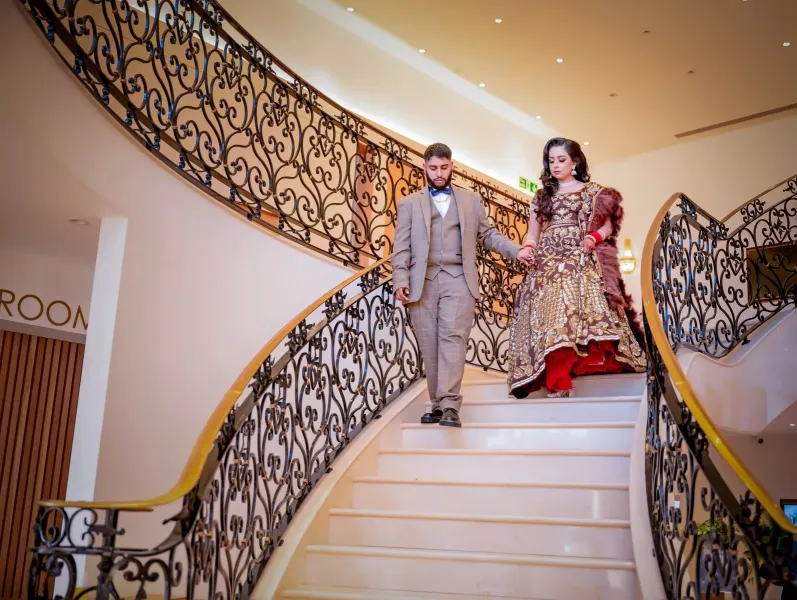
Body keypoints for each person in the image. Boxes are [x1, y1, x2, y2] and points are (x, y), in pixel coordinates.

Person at [393, 143, 534, 427]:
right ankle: (436, 403)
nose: (439, 173)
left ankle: (450, 404)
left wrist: (515, 250)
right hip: (423, 280)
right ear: (425, 167)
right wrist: (400, 280)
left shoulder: (471, 200)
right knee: (429, 343)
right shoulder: (409, 203)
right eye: (433, 168)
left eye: (444, 167)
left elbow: (489, 234)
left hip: (459, 278)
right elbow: (402, 246)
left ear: (451, 166)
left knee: (453, 338)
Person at [508, 138, 646, 399]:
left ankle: (572, 369)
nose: (556, 166)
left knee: (569, 301)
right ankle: (554, 375)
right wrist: (527, 247)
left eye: (561, 160)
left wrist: (592, 238)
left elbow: (609, 226)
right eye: (551, 161)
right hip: (546, 259)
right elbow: (533, 233)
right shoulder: (541, 196)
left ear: (576, 162)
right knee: (547, 311)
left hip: (579, 254)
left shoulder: (593, 191)